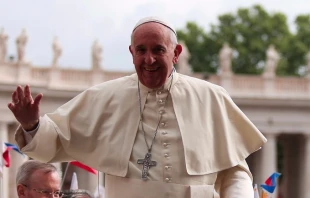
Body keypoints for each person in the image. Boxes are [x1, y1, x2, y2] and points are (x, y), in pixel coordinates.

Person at [9, 16, 266, 197]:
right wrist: (32, 124)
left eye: (158, 50)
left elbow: (236, 172)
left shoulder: (211, 97)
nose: (149, 59)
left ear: (176, 53)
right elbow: (54, 140)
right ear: (131, 53)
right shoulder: (104, 97)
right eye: (141, 50)